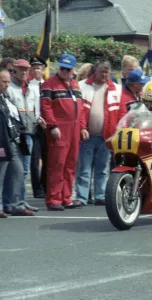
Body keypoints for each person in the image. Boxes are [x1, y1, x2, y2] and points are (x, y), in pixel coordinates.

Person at [40, 53, 89, 211]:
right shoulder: (49, 84)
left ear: (73, 70)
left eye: (68, 69)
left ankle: (66, 197)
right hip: (60, 130)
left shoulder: (75, 85)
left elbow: (80, 109)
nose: (65, 71)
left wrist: (82, 127)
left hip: (74, 131)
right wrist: (52, 126)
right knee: (57, 165)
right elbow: (46, 107)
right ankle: (54, 199)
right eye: (62, 68)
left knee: (70, 165)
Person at [75, 60, 125, 206]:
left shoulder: (117, 88)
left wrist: (117, 132)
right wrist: (83, 128)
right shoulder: (82, 86)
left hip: (106, 137)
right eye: (101, 71)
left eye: (106, 72)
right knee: (84, 168)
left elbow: (122, 113)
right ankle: (82, 197)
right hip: (87, 135)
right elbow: (80, 111)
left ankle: (100, 195)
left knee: (102, 169)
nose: (104, 74)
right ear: (95, 71)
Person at [0, 68, 36, 216]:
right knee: (1, 175)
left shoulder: (5, 97)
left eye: (8, 81)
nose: (7, 84)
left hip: (13, 141)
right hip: (2, 142)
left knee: (17, 171)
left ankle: (15, 204)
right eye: (3, 81)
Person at [7, 59, 41, 205]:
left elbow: (34, 110)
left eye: (26, 70)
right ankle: (13, 202)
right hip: (15, 135)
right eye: (21, 69)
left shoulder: (31, 89)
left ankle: (20, 201)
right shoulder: (9, 89)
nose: (24, 72)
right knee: (15, 170)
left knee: (24, 170)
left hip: (29, 134)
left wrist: (38, 119)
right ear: (14, 70)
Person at [29, 56, 48, 198]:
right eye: (34, 68)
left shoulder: (48, 85)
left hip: (47, 127)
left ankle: (45, 185)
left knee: (48, 159)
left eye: (39, 68)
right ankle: (37, 189)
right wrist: (37, 119)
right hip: (34, 126)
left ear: (43, 70)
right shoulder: (29, 86)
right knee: (35, 159)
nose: (37, 70)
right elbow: (29, 107)